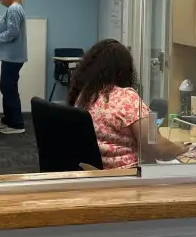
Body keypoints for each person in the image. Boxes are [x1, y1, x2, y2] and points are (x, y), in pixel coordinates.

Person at [67, 39, 187, 168]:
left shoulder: (84, 97)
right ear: (124, 70)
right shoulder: (127, 97)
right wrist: (181, 148)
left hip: (98, 173)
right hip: (130, 174)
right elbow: (156, 147)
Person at [0, 0, 28, 135]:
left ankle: (17, 124)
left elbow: (13, 32)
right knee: (6, 87)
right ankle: (9, 120)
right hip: (11, 56)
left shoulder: (13, 9)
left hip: (13, 57)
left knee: (8, 88)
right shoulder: (14, 9)